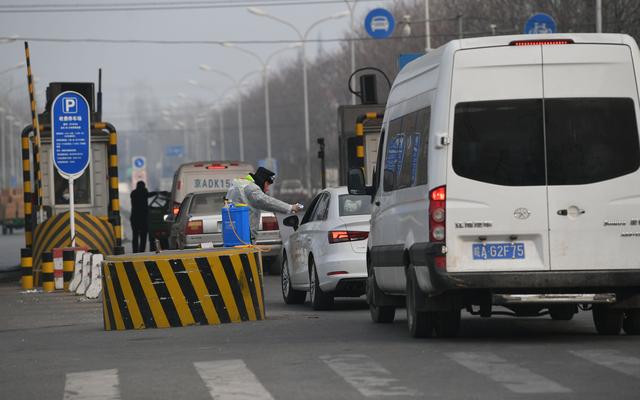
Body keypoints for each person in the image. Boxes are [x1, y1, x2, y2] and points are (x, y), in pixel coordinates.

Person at [226, 167, 303, 242]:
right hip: (244, 236)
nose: (267, 188)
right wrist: (290, 207)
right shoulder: (252, 189)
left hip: (231, 234)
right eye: (267, 184)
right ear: (262, 181)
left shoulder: (239, 184)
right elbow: (266, 202)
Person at [129, 181, 155, 253]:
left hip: (134, 218)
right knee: (143, 236)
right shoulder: (144, 192)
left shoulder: (133, 193)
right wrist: (157, 192)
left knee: (135, 236)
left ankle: (135, 250)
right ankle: (142, 250)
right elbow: (148, 194)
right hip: (143, 218)